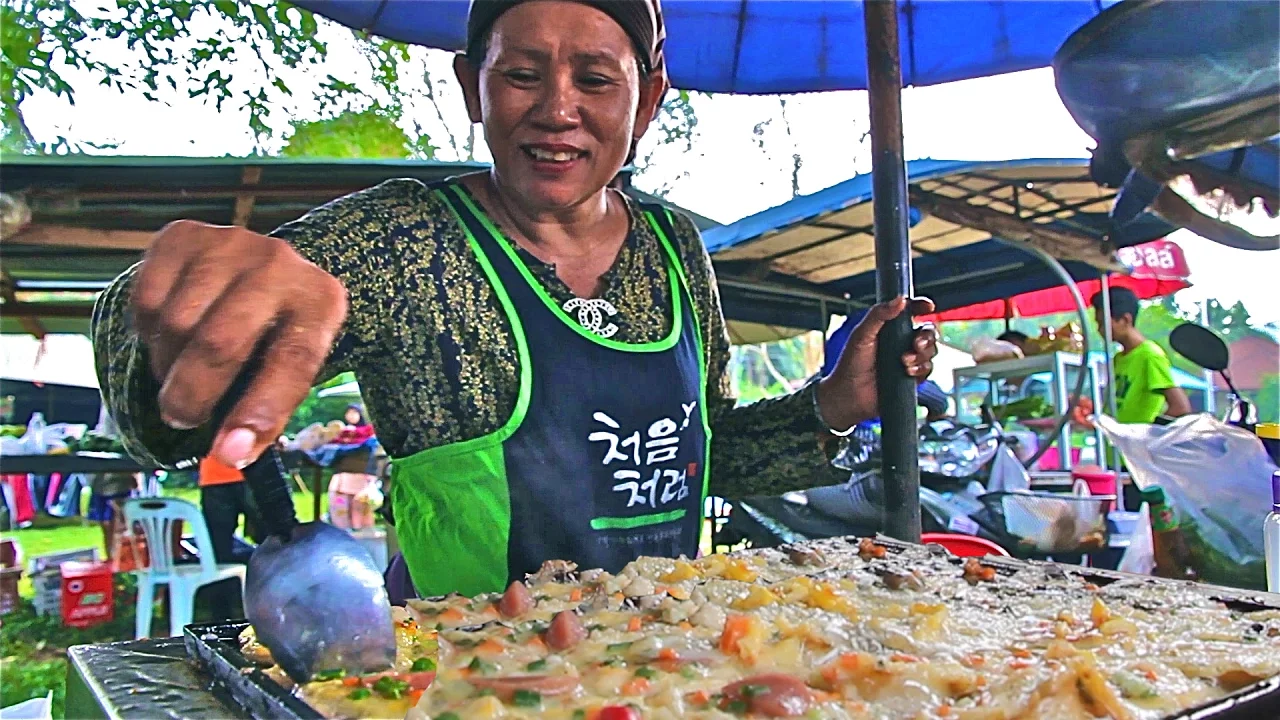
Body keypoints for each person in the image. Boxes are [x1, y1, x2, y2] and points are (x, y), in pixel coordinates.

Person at [92, 0, 939, 600]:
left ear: (647, 100)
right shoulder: (402, 242)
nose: (558, 110)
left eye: (597, 80)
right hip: (460, 680)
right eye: (523, 74)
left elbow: (696, 461)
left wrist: (833, 406)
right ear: (473, 88)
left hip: (666, 663)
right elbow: (161, 416)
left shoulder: (675, 248)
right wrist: (184, 313)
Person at [1092, 287, 1191, 424]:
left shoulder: (1150, 355)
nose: (1100, 330)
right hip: (1115, 443)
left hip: (1136, 444)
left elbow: (1180, 407)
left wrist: (1149, 436)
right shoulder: (1118, 359)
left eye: (1103, 323)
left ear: (1125, 320)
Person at [198, 455, 260, 619]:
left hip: (215, 472)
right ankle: (280, 610)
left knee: (218, 553)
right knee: (277, 545)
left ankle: (220, 617)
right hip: (256, 470)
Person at [327, 404, 378, 530]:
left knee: (360, 508)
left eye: (354, 412)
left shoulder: (369, 434)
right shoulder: (342, 434)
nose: (351, 415)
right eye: (349, 412)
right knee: (340, 506)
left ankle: (362, 532)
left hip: (361, 476)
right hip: (343, 476)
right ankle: (342, 532)